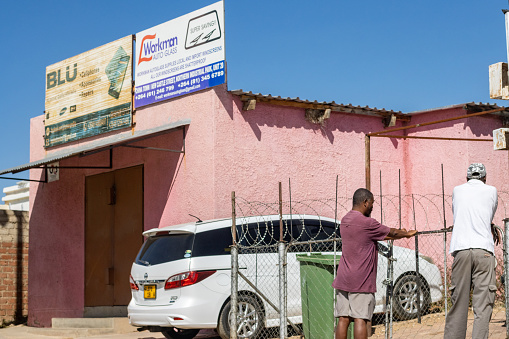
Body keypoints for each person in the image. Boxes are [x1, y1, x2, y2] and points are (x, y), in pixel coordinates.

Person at [332, 188, 417, 339]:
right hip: (361, 279)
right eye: (371, 203)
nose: (372, 206)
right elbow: (392, 233)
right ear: (365, 202)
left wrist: (395, 233)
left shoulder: (345, 220)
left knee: (343, 319)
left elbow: (381, 235)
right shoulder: (367, 223)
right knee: (361, 318)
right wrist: (407, 233)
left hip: (343, 277)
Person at [444, 163, 498, 339]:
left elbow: (460, 213)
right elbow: (487, 214)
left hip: (461, 249)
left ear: (467, 178)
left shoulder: (457, 190)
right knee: (482, 306)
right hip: (484, 250)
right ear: (484, 178)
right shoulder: (492, 191)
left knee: (458, 303)